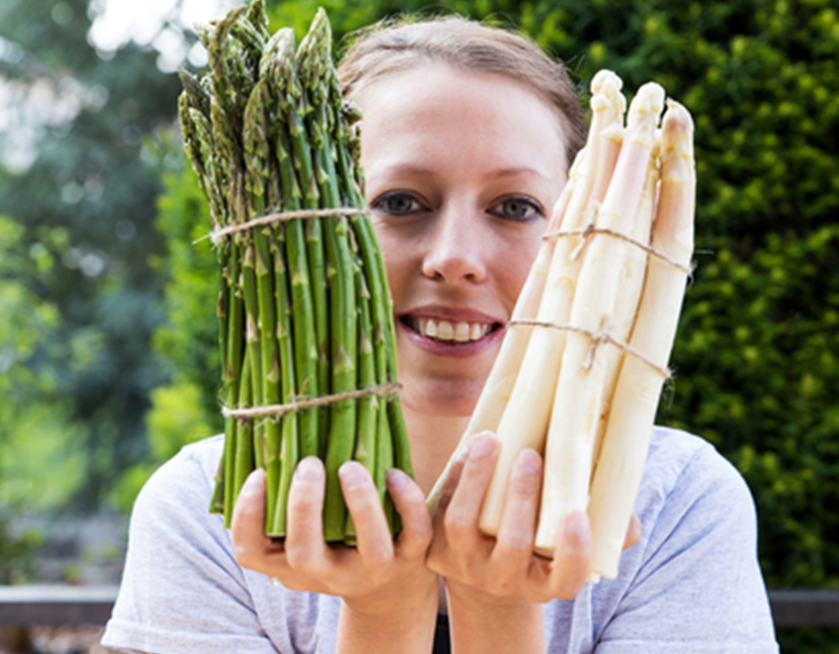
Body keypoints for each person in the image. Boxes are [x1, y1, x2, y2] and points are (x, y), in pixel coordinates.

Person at [101, 15, 779, 654]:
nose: (454, 256)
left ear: (585, 232)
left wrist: (501, 610)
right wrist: (382, 609)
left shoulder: (675, 502)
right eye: (400, 202)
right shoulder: (203, 511)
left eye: (514, 207)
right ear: (308, 223)